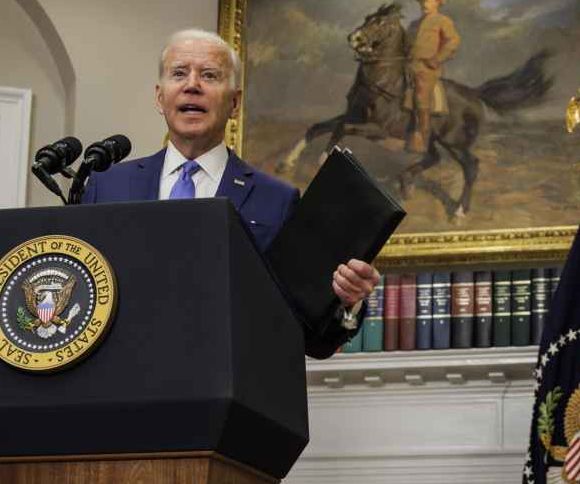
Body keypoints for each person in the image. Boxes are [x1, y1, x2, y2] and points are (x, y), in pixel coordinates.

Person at [83, 28, 380, 358]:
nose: (192, 84)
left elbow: (312, 338)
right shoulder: (107, 185)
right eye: (179, 73)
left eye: (209, 75)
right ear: (159, 97)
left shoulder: (277, 200)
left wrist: (347, 301)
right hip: (124, 386)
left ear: (235, 102)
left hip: (229, 390)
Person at [407, 0, 461, 153]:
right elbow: (407, 45)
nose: (424, 4)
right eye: (423, 1)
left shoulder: (443, 20)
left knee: (421, 96)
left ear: (437, 2)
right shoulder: (414, 24)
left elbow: (453, 41)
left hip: (427, 68)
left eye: (429, 0)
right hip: (409, 65)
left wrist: (437, 59)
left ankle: (422, 138)